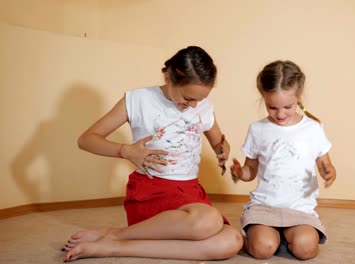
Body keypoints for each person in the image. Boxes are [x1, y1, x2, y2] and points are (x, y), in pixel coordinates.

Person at [62, 46, 243, 262]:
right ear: (168, 77)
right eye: (188, 98)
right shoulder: (139, 99)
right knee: (208, 221)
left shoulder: (202, 106)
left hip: (190, 194)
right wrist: (125, 151)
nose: (193, 105)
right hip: (152, 190)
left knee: (231, 240)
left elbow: (219, 143)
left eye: (199, 100)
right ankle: (114, 234)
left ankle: (115, 246)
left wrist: (222, 151)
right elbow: (86, 139)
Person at [230, 60, 336, 260]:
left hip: (299, 207)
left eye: (287, 107)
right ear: (263, 97)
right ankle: (260, 237)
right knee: (262, 249)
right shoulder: (258, 129)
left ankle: (285, 238)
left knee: (306, 250)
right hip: (265, 206)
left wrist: (329, 172)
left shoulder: (313, 128)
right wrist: (239, 172)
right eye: (272, 108)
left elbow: (325, 163)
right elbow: (250, 170)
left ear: (299, 97)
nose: (280, 114)